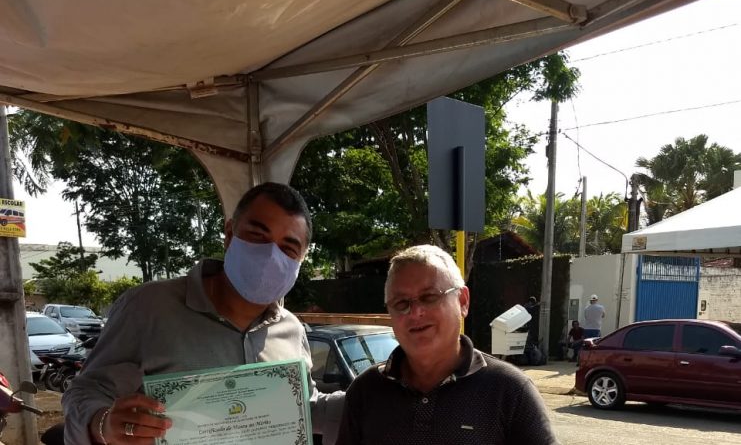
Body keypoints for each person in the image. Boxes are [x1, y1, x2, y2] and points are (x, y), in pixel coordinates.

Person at [62, 182, 343, 445]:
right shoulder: (148, 308)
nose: (271, 256)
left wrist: (365, 394)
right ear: (230, 234)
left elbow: (301, 406)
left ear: (301, 258)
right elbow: (84, 392)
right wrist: (102, 424)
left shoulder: (292, 330)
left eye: (288, 248)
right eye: (258, 236)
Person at [336, 245, 558, 444]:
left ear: (463, 301)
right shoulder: (365, 391)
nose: (415, 312)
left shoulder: (510, 391)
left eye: (429, 297)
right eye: (401, 303)